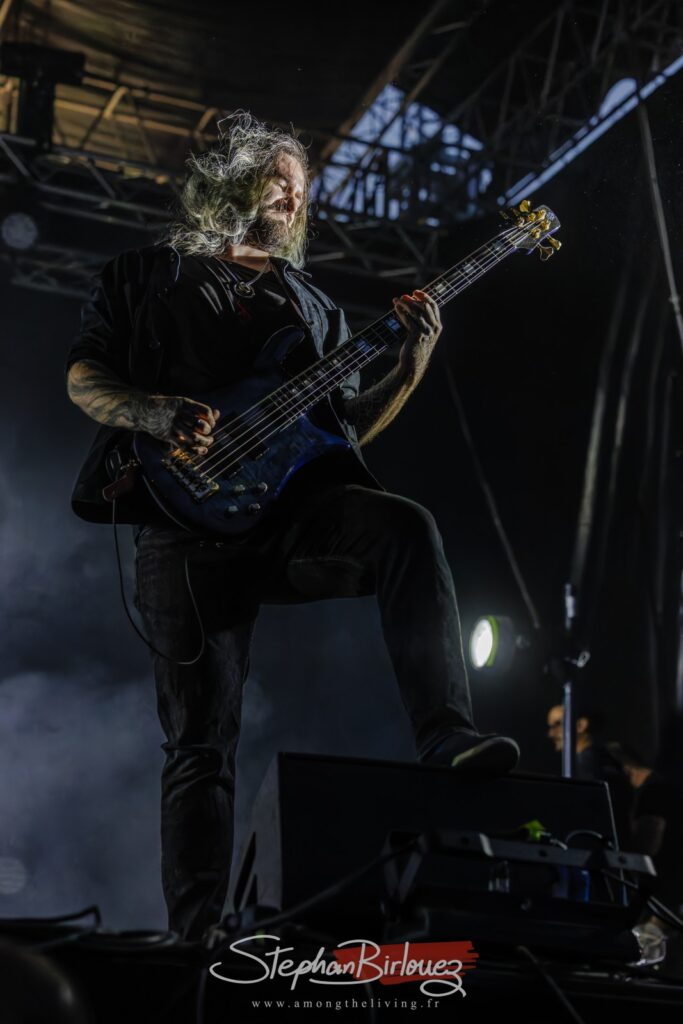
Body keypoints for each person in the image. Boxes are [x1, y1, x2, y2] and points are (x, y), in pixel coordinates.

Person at [65, 112, 519, 940]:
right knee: (200, 741)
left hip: (290, 518)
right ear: (232, 178)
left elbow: (343, 430)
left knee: (404, 527)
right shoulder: (146, 274)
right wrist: (152, 412)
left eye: (302, 188)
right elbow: (85, 377)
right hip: (180, 521)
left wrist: (410, 366)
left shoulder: (311, 304)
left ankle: (445, 733)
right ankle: (196, 937)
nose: (293, 196)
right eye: (279, 178)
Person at [546, 703, 633, 845]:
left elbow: (587, 813)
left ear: (581, 725)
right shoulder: (603, 759)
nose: (551, 734)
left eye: (557, 725)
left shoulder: (585, 762)